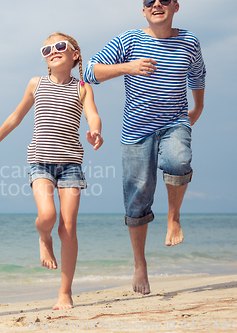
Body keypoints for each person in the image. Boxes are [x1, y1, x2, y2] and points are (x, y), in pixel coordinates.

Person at [84, 0, 206, 295]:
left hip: (175, 121)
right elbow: (90, 71)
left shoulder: (189, 41)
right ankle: (140, 263)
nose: (157, 4)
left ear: (176, 6)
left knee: (178, 161)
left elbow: (198, 76)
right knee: (137, 199)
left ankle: (173, 217)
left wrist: (198, 108)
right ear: (143, 10)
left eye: (164, 0)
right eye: (149, 1)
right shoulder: (129, 40)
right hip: (136, 131)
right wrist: (128, 67)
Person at [0, 32, 103, 309]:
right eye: (47, 49)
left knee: (68, 227)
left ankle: (64, 292)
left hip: (71, 163)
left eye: (59, 46)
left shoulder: (82, 87)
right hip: (40, 161)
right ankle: (44, 238)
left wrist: (95, 131)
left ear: (74, 55)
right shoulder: (36, 84)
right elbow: (16, 117)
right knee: (47, 216)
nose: (53, 51)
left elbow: (92, 113)